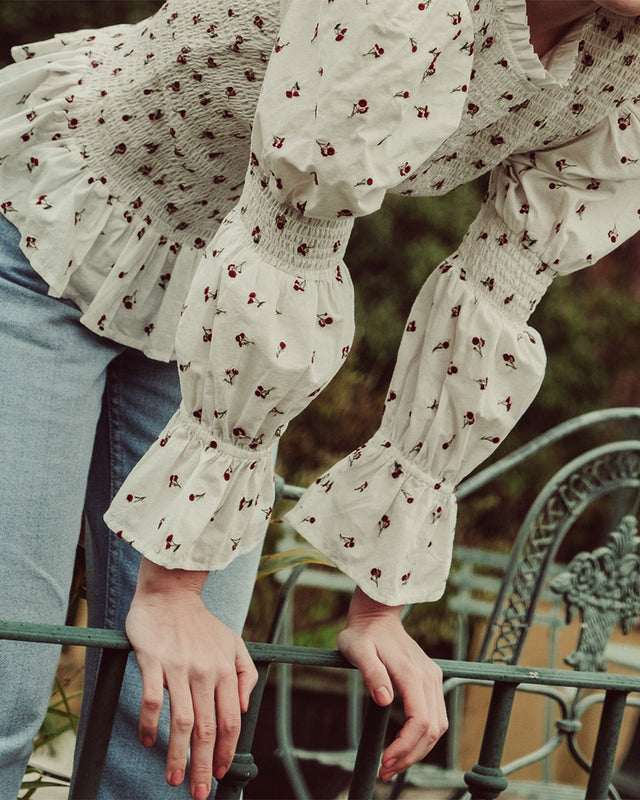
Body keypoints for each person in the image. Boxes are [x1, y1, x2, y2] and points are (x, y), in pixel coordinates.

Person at [0, 0, 638, 797]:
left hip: (215, 301)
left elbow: (492, 304)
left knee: (176, 747)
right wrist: (167, 588)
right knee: (5, 691)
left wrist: (381, 606)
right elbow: (292, 230)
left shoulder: (621, 60)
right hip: (53, 231)